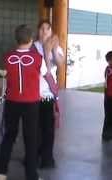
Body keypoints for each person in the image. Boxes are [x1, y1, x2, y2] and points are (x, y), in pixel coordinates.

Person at [0, 24, 43, 180]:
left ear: (17, 39)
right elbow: (44, 75)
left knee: (9, 135)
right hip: (31, 102)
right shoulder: (37, 58)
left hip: (12, 101)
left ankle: (1, 172)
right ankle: (31, 175)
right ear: (31, 39)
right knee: (31, 139)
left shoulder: (7, 57)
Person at [33, 19, 64, 169]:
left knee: (48, 128)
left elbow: (59, 64)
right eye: (42, 28)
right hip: (32, 94)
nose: (44, 31)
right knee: (33, 128)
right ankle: (33, 156)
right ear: (37, 31)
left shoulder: (56, 47)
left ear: (51, 31)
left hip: (47, 94)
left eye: (47, 29)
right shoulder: (32, 47)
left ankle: (47, 158)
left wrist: (50, 49)